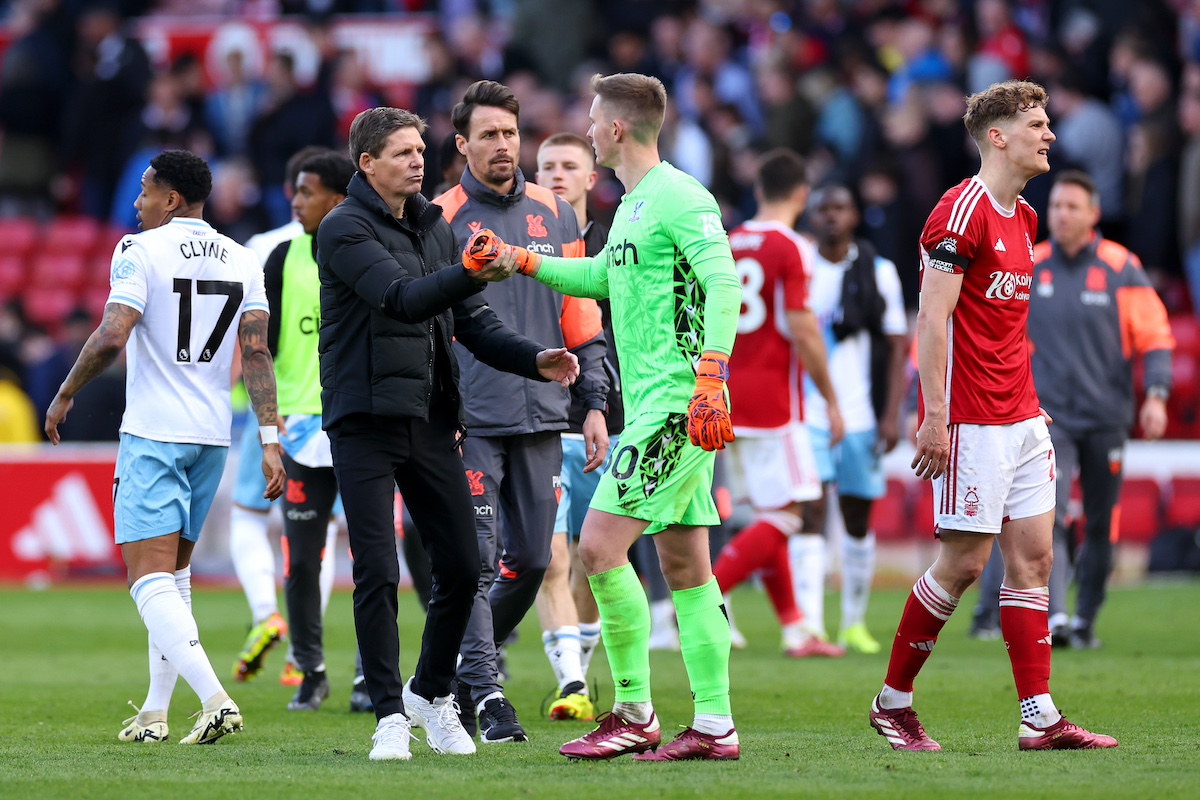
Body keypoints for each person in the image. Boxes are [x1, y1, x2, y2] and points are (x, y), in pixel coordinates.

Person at [466, 72, 744, 762]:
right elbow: (601, 280)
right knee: (685, 567)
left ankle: (633, 712)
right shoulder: (633, 206)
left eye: (592, 121)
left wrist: (711, 375)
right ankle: (713, 725)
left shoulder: (680, 196)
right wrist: (521, 261)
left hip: (678, 407)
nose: (586, 131)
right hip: (660, 405)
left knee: (596, 549)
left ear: (617, 129)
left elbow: (724, 280)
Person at [316, 106, 579, 762]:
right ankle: (386, 717)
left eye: (419, 150)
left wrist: (535, 358)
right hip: (364, 422)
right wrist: (469, 271)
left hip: (431, 416)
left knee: (462, 566)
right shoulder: (343, 229)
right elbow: (402, 299)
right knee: (376, 570)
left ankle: (430, 695)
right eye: (402, 152)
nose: (417, 160)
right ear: (367, 163)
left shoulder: (434, 227)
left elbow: (474, 323)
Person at [867, 80, 1117, 752]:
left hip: (1024, 418)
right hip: (972, 419)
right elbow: (932, 316)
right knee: (965, 565)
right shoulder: (959, 212)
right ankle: (893, 702)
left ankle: (1038, 718)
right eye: (1037, 125)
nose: (1050, 136)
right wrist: (934, 414)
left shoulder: (1027, 217)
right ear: (998, 136)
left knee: (1033, 561)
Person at [45, 149, 286, 745]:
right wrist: (270, 439)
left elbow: (112, 334)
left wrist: (66, 391)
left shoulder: (137, 250)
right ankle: (155, 712)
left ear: (171, 198)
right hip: (211, 438)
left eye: (146, 191)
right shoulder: (243, 257)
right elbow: (256, 355)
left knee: (144, 578)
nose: (137, 202)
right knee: (173, 578)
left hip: (154, 432)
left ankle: (215, 700)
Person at [432, 81, 608, 744]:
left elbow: (582, 322)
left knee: (535, 561)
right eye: (489, 135)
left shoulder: (556, 216)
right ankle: (490, 693)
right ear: (463, 145)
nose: (503, 145)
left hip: (543, 417)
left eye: (511, 133)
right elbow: (430, 323)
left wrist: (592, 404)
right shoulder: (440, 219)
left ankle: (453, 665)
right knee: (474, 562)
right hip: (469, 419)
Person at [969, 170, 1173, 649]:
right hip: (1046, 418)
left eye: (1071, 207)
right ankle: (1055, 617)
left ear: (1093, 215)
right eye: (1056, 206)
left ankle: (1085, 620)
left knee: (1102, 523)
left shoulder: (1122, 267)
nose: (1060, 215)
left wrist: (1158, 395)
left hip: (1107, 417)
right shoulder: (1030, 263)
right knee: (1049, 515)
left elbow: (1157, 337)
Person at [711, 148, 846, 659]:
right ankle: (707, 599)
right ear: (801, 195)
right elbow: (804, 327)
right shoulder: (792, 247)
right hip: (774, 402)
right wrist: (831, 399)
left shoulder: (728, 241)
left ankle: (795, 629)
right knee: (790, 513)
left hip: (724, 395)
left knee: (768, 515)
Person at [230, 145, 335, 688]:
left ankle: (264, 613)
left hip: (281, 413)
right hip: (343, 415)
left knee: (249, 517)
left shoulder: (264, 249)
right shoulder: (367, 247)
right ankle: (304, 654)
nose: (297, 199)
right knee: (329, 535)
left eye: (303, 190)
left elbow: (249, 345)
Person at [531, 131, 622, 721]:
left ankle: (579, 677)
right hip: (537, 419)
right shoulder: (518, 243)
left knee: (595, 561)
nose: (557, 175)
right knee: (551, 557)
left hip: (608, 421)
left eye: (570, 165)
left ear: (592, 178)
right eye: (547, 167)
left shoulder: (622, 241)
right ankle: (570, 685)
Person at [262, 150, 357, 712]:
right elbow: (262, 348)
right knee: (302, 561)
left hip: (362, 426)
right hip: (299, 430)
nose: (295, 201)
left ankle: (373, 676)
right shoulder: (281, 258)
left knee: (375, 559)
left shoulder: (369, 252)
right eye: (295, 191)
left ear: (338, 197)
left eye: (306, 191)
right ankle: (312, 670)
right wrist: (267, 419)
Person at [802, 185, 910, 655]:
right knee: (807, 513)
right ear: (811, 215)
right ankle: (808, 626)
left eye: (839, 208)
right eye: (822, 209)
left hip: (862, 413)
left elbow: (897, 346)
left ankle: (853, 622)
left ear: (854, 215)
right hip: (807, 412)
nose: (830, 217)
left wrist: (892, 414)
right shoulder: (800, 268)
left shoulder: (879, 271)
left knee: (856, 517)